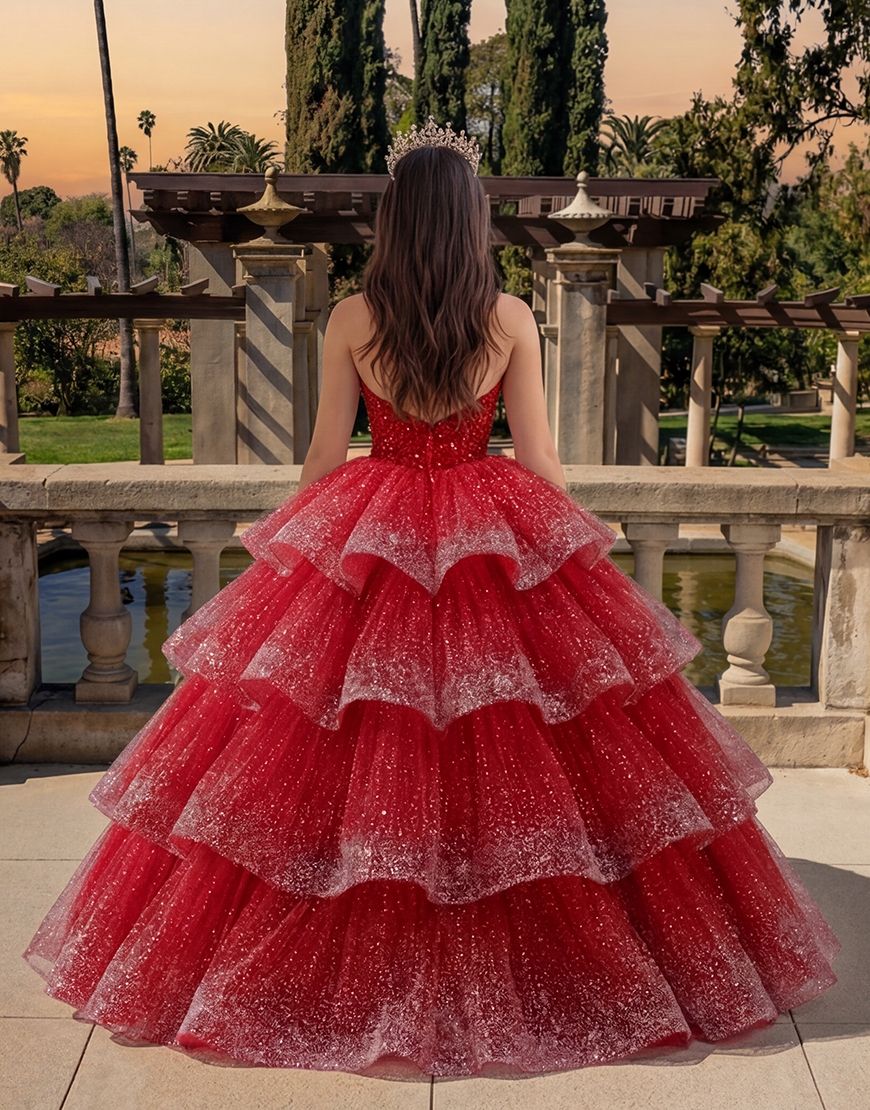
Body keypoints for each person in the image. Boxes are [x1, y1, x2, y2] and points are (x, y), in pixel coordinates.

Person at [24, 122, 838, 1079]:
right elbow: (536, 458)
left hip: (377, 517)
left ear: (398, 223)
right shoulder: (509, 320)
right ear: (469, 223)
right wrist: (574, 534)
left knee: (351, 742)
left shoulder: (352, 321)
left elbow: (327, 458)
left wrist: (293, 539)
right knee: (520, 745)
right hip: (487, 519)